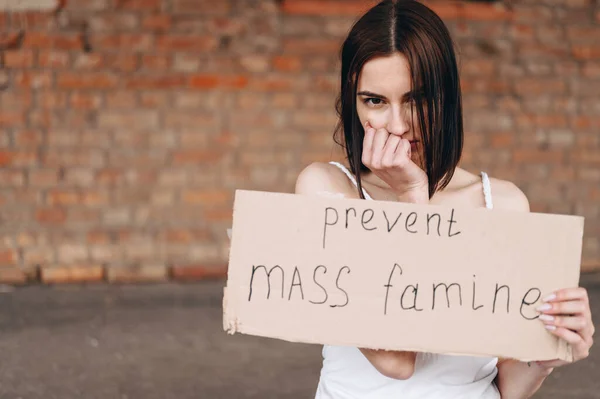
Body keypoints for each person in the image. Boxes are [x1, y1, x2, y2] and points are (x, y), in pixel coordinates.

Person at [294, 1, 595, 398]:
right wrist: (412, 197)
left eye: (416, 98)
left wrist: (545, 354)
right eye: (375, 101)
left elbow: (505, 385)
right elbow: (396, 361)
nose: (398, 125)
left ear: (447, 96)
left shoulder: (501, 205)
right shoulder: (328, 191)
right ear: (353, 97)